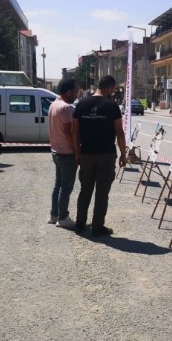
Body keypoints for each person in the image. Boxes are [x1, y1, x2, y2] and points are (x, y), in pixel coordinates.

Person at [72, 75, 127, 236]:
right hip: (106, 155)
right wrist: (123, 154)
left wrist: (77, 151)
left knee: (85, 190)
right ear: (109, 88)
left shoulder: (81, 104)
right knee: (102, 192)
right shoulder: (112, 106)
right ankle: (97, 227)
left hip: (86, 154)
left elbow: (74, 131)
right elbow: (120, 133)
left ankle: (80, 224)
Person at [47, 77, 79, 228]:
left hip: (56, 151)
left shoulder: (53, 105)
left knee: (58, 185)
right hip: (66, 153)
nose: (77, 95)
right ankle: (63, 217)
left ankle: (54, 215)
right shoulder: (65, 108)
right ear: (68, 92)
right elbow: (68, 132)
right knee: (66, 187)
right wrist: (76, 150)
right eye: (75, 91)